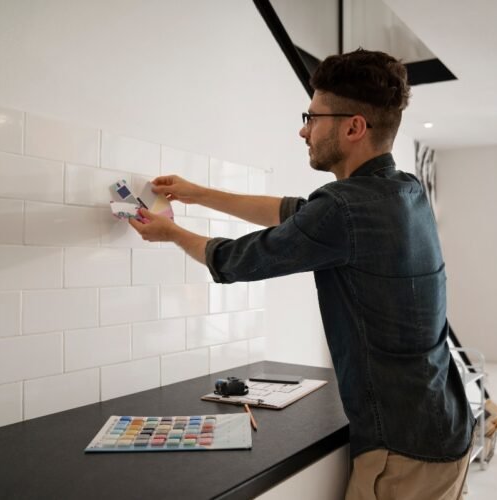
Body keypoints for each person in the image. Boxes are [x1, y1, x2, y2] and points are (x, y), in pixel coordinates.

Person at [129, 48, 474, 500]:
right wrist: (199, 194)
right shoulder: (403, 190)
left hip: (404, 451)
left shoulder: (345, 208)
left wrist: (171, 233)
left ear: (353, 127)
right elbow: (297, 213)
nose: (303, 129)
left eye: (313, 117)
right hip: (443, 425)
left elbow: (235, 259)